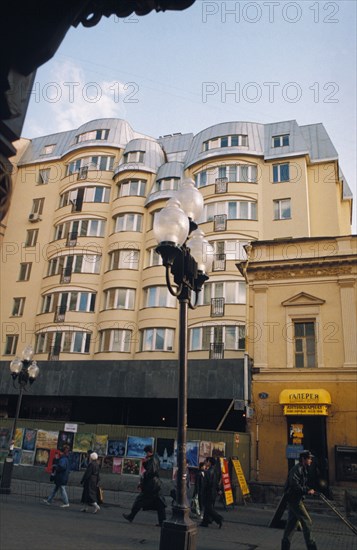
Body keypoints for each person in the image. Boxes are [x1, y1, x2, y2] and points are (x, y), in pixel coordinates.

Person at [281, 450, 318, 550]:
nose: (310, 460)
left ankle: (285, 547)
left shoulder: (303, 469)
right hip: (294, 499)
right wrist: (307, 491)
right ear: (303, 459)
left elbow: (300, 484)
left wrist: (308, 490)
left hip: (294, 498)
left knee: (291, 525)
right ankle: (312, 547)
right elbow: (294, 485)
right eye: (309, 458)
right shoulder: (297, 469)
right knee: (307, 522)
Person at [123, 444, 166, 527]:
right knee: (160, 503)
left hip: (151, 485)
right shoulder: (155, 458)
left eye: (146, 452)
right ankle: (162, 521)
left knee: (140, 500)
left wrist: (143, 479)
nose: (145, 454)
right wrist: (145, 463)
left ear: (148, 452)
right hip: (155, 484)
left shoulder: (152, 459)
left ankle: (131, 516)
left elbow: (150, 472)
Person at [200, 457, 223, 528]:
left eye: (206, 461)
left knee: (208, 508)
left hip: (208, 493)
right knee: (207, 508)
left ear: (209, 462)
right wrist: (218, 489)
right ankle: (205, 522)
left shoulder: (208, 472)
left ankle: (218, 518)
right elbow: (216, 483)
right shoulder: (215, 471)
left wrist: (202, 491)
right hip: (213, 493)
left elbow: (206, 484)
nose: (205, 463)